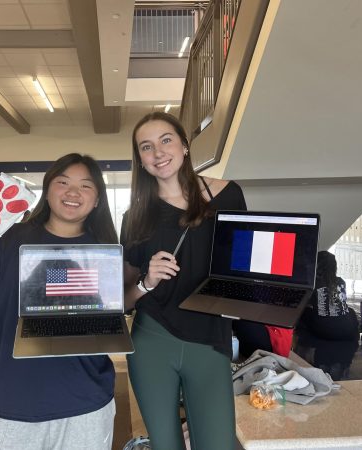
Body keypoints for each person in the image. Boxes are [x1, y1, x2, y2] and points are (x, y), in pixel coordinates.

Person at [0, 154, 118, 450]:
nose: (72, 192)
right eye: (63, 182)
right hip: (15, 395)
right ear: (47, 188)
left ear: (96, 200)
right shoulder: (13, 236)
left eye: (85, 186)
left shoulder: (105, 247)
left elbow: (109, 314)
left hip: (86, 398)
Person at [121, 112, 246, 450]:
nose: (158, 152)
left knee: (217, 443)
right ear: (141, 161)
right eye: (146, 147)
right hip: (152, 339)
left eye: (165, 140)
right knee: (166, 444)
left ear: (184, 146)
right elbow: (124, 299)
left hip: (209, 339)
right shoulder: (134, 217)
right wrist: (147, 280)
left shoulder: (228, 196)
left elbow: (242, 267)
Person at [298, 250, 358, 341]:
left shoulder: (314, 284)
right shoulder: (341, 282)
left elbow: (305, 303)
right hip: (348, 329)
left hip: (324, 331)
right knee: (350, 311)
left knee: (303, 312)